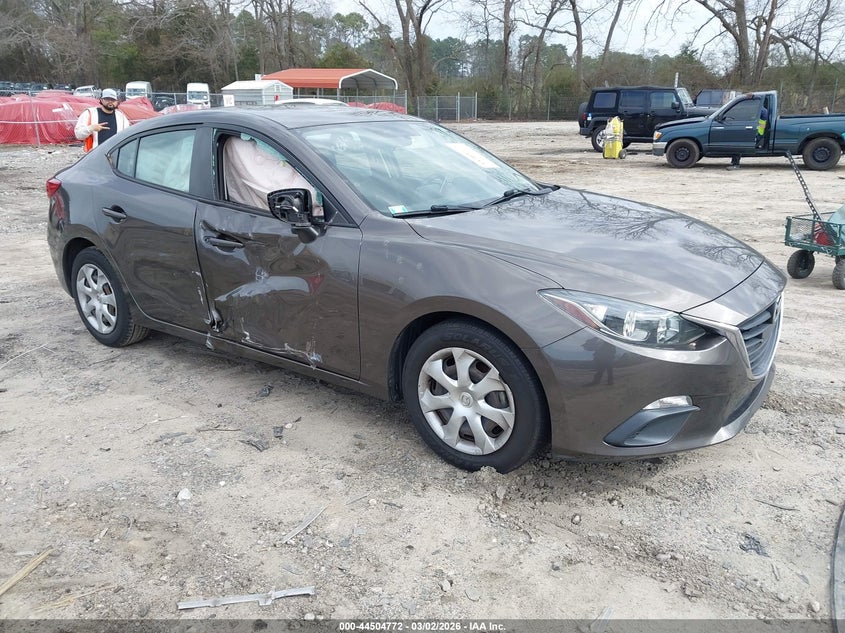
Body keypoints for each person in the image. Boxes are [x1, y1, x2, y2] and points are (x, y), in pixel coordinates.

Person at [74, 88, 130, 152]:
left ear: (117, 101)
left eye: (113, 99)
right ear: (101, 100)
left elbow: (127, 136)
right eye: (107, 99)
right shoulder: (90, 114)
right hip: (95, 155)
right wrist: (91, 128)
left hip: (115, 155)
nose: (110, 101)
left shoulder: (121, 117)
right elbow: (78, 135)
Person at [727, 101, 768, 169]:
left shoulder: (761, 111)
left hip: (757, 133)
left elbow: (752, 119)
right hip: (757, 132)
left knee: (738, 145)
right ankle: (734, 162)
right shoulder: (762, 110)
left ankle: (736, 164)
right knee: (738, 144)